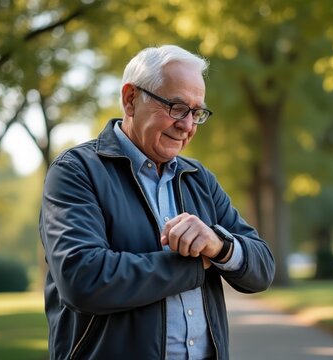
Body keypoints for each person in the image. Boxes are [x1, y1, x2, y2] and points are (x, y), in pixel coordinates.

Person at [39, 44, 275, 360]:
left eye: (197, 112)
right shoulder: (76, 170)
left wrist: (218, 246)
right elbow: (83, 278)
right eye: (176, 107)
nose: (188, 125)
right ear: (130, 99)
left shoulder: (198, 177)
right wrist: (196, 264)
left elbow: (262, 267)